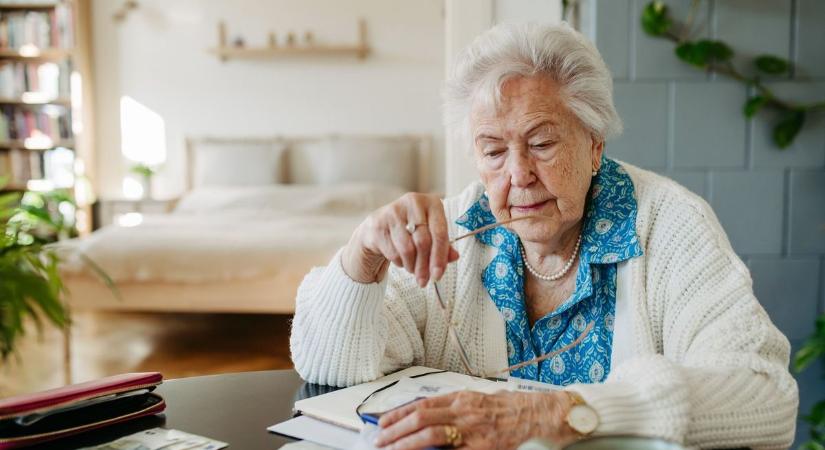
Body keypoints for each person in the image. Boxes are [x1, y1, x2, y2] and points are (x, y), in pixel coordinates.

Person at [290, 22, 798, 450]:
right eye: (493, 151)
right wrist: (362, 258)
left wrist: (561, 412)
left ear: (594, 145)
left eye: (542, 143)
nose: (518, 174)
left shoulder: (669, 225)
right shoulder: (456, 232)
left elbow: (764, 395)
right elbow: (331, 368)